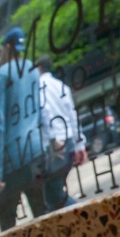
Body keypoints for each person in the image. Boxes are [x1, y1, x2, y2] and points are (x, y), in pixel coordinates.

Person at [0, 27, 48, 232]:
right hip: (35, 152)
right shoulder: (32, 69)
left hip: (11, 161)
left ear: (7, 47)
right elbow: (40, 110)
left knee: (7, 227)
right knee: (44, 217)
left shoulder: (2, 75)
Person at [36, 55, 86, 212]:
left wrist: (53, 141)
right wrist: (80, 144)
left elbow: (44, 115)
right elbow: (72, 115)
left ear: (38, 68)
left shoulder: (37, 89)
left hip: (55, 145)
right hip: (68, 141)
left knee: (54, 196)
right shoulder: (60, 86)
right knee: (53, 197)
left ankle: (84, 213)